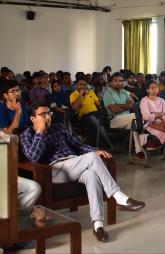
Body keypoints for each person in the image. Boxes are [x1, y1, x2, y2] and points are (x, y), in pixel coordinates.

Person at [20, 103, 145, 242]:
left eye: (49, 113)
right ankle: (119, 197)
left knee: (91, 175)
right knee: (92, 157)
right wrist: (40, 132)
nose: (47, 117)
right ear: (32, 118)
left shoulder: (59, 128)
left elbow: (77, 145)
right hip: (54, 170)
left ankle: (98, 226)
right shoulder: (27, 135)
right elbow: (33, 157)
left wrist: (94, 149)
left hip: (74, 163)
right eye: (42, 114)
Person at [102, 73, 140, 158]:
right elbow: (114, 110)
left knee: (135, 124)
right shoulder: (108, 93)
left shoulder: (123, 92)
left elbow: (132, 104)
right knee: (136, 116)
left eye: (120, 81)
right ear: (110, 83)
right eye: (115, 81)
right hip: (114, 120)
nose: (118, 83)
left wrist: (119, 105)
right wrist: (126, 106)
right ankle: (146, 144)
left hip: (127, 119)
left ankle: (139, 151)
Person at [70, 77, 113, 149]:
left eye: (84, 85)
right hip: (84, 117)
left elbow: (99, 104)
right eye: (80, 85)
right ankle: (108, 142)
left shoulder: (91, 92)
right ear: (76, 85)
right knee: (93, 119)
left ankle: (104, 142)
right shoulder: (73, 95)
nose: (83, 86)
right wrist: (80, 95)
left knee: (97, 119)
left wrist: (102, 112)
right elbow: (74, 107)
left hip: (96, 114)